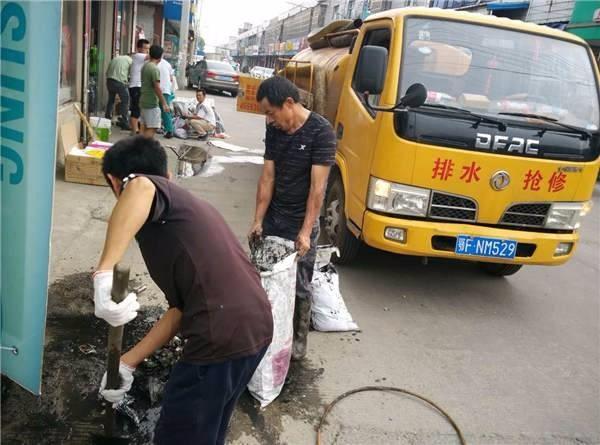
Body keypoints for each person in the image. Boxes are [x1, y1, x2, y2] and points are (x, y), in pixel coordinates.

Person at [94, 136, 273, 445]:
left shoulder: (148, 190)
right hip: (252, 330)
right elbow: (179, 310)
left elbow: (139, 187)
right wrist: (128, 362)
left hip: (221, 335)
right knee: (206, 433)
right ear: (170, 176)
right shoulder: (179, 213)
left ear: (114, 181)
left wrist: (104, 271)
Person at [248, 76, 336, 360]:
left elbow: (317, 188)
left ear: (288, 103)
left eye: (271, 113)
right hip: (275, 218)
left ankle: (297, 342)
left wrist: (306, 232)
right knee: (264, 280)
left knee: (299, 285)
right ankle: (266, 335)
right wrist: (258, 220)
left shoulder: (321, 131)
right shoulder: (274, 130)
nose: (270, 120)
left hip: (301, 222)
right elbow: (268, 177)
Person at [140, 45, 171, 139]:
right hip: (151, 102)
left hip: (143, 99)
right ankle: (143, 148)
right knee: (152, 127)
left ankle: (138, 147)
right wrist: (164, 103)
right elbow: (157, 87)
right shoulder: (154, 69)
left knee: (144, 126)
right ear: (160, 57)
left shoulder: (145, 65)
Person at [105, 53, 132, 130]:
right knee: (125, 101)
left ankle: (107, 118)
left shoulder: (116, 58)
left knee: (111, 100)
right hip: (119, 82)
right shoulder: (130, 60)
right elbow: (132, 73)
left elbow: (107, 72)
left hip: (109, 81)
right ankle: (125, 122)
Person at [129, 39, 150, 134]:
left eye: (148, 48)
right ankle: (135, 131)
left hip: (137, 86)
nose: (147, 50)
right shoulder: (138, 56)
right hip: (136, 86)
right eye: (145, 48)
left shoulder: (140, 57)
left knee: (138, 108)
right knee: (136, 109)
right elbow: (153, 56)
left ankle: (135, 129)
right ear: (139, 48)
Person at [157, 57, 175, 138]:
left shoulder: (153, 64)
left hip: (157, 89)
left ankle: (157, 127)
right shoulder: (167, 64)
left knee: (153, 109)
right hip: (167, 90)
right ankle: (169, 130)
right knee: (165, 110)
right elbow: (171, 78)